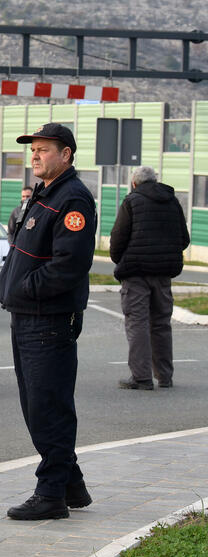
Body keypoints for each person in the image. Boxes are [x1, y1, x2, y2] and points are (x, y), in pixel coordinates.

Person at [0, 123, 96, 520]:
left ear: (66, 154)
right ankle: (72, 484)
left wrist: (25, 289)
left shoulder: (73, 198)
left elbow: (70, 264)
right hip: (27, 316)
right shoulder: (45, 193)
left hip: (48, 319)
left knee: (48, 407)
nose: (35, 156)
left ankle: (51, 494)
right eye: (33, 149)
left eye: (43, 149)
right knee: (35, 405)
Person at [109, 165, 190, 390]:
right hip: (163, 273)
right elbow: (184, 239)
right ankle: (165, 376)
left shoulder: (131, 201)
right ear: (155, 180)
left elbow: (118, 237)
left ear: (134, 183)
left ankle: (141, 377)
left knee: (138, 323)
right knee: (161, 323)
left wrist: (119, 259)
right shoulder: (172, 201)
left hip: (136, 272)